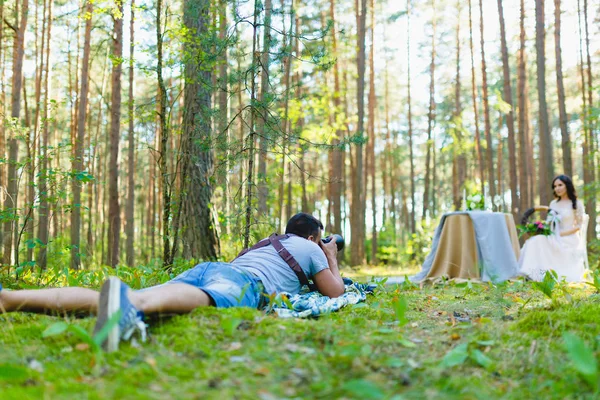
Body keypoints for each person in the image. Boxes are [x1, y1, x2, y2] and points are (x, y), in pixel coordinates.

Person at [0, 213, 344, 351]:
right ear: (314, 235)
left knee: (125, 296)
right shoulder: (310, 247)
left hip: (211, 266)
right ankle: (131, 307)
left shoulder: (266, 243)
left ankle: (10, 299)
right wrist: (330, 257)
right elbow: (335, 292)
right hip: (242, 281)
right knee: (146, 302)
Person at [518, 175, 588, 282]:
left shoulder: (576, 204)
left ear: (567, 186)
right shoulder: (553, 204)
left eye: (560, 185)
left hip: (569, 238)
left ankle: (549, 274)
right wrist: (541, 228)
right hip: (554, 235)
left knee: (544, 241)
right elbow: (550, 223)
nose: (557, 188)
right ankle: (531, 274)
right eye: (555, 186)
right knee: (535, 240)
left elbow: (578, 226)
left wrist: (561, 234)